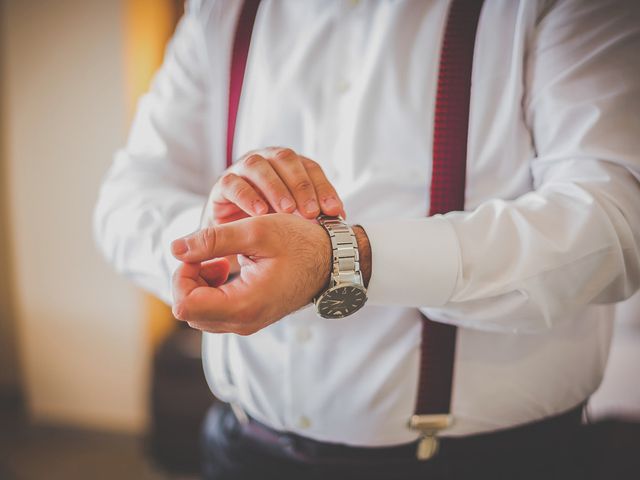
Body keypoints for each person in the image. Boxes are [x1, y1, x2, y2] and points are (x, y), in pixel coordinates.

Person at [94, 0, 640, 478]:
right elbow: (126, 200)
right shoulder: (222, 9)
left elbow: (614, 219)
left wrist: (340, 260)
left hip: (488, 463)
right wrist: (223, 238)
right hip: (243, 450)